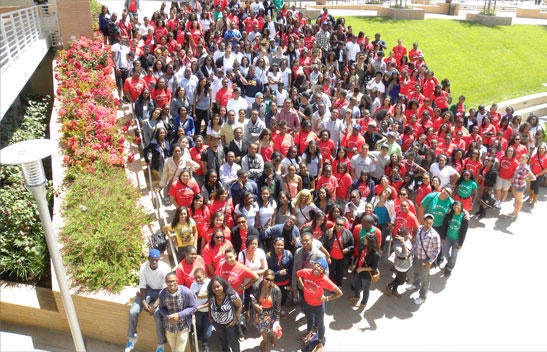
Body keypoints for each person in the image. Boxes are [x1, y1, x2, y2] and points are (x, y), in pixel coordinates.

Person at [125, 249, 170, 352]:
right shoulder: (143, 267)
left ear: (159, 259)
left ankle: (161, 344)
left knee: (157, 314)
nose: (154, 262)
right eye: (152, 260)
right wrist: (144, 302)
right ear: (148, 259)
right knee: (133, 311)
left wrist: (154, 306)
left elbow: (165, 290)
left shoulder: (165, 268)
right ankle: (132, 338)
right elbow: (142, 286)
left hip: (161, 292)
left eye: (156, 260)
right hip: (148, 290)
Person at [296, 258, 343, 351]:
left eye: (321, 268)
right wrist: (302, 284)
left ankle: (320, 342)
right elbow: (298, 274)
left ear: (323, 271)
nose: (318, 268)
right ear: (314, 264)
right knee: (309, 319)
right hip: (307, 302)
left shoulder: (324, 279)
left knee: (320, 324)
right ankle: (309, 333)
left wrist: (327, 298)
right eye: (317, 265)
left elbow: (340, 293)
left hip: (318, 305)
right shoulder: (306, 272)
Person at [158, 272, 198, 352]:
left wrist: (178, 315)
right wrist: (167, 316)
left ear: (177, 281)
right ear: (166, 282)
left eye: (173, 281)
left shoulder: (186, 292)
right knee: (173, 349)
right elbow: (161, 308)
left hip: (183, 327)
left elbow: (193, 307)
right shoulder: (162, 293)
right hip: (169, 327)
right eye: (169, 281)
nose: (171, 283)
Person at [407, 213, 441, 305]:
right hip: (417, 256)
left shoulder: (434, 235)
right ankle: (415, 284)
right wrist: (411, 253)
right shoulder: (419, 229)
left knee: (425, 278)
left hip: (426, 260)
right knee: (416, 271)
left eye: (430, 223)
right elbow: (417, 243)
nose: (428, 225)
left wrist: (430, 262)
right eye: (426, 222)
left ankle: (422, 297)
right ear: (423, 221)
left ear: (432, 223)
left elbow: (437, 250)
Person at [207, 276, 243, 352]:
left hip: (230, 324)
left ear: (223, 285)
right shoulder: (211, 295)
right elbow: (209, 305)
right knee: (223, 342)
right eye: (214, 287)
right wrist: (210, 315)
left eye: (218, 286)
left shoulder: (231, 295)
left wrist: (235, 319)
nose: (216, 289)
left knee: (233, 343)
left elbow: (239, 306)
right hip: (217, 324)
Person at [250, 270, 282, 352]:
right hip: (259, 313)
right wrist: (255, 304)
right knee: (263, 330)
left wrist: (277, 320)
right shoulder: (257, 286)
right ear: (263, 277)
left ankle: (274, 338)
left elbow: (278, 307)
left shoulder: (276, 290)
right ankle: (265, 342)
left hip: (271, 314)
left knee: (273, 330)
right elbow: (252, 297)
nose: (269, 282)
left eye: (271, 280)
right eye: (267, 279)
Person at [321, 216, 354, 286]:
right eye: (337, 224)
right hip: (331, 258)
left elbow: (352, 246)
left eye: (341, 225)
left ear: (344, 225)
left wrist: (348, 249)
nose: (339, 226)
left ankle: (339, 285)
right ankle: (331, 286)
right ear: (335, 224)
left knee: (340, 273)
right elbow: (323, 245)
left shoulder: (348, 233)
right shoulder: (329, 232)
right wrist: (327, 257)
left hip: (342, 259)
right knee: (331, 273)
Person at [439, 201, 468, 278]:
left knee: (454, 255)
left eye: (458, 206)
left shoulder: (464, 218)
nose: (456, 207)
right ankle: (450, 263)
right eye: (455, 205)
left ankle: (449, 269)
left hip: (457, 239)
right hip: (448, 237)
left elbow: (464, 232)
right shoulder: (449, 214)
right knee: (445, 252)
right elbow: (444, 225)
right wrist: (443, 237)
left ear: (461, 207)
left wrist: (461, 244)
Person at [266, 237, 294, 318]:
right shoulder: (268, 256)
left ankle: (282, 309)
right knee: (274, 298)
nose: (280, 247)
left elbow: (292, 269)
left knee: (284, 298)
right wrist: (278, 273)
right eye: (278, 245)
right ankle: (274, 310)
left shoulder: (288, 254)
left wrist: (292, 284)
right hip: (274, 283)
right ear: (274, 245)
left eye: (282, 245)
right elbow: (267, 273)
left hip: (286, 282)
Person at [351, 232, 380, 308]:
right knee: (356, 285)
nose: (363, 239)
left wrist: (362, 269)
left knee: (365, 290)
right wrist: (355, 264)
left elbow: (373, 268)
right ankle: (357, 296)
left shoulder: (376, 254)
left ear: (369, 241)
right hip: (358, 271)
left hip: (366, 275)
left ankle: (363, 303)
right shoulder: (364, 247)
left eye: (365, 238)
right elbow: (359, 256)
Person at [384, 227, 413, 297]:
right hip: (401, 266)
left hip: (407, 264)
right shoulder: (396, 245)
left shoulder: (407, 239)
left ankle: (394, 290)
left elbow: (410, 247)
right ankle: (388, 286)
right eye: (407, 236)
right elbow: (404, 253)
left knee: (398, 277)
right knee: (401, 281)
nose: (408, 237)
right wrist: (403, 243)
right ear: (402, 237)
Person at [191, 268, 212, 352]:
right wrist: (206, 295)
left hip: (208, 311)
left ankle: (204, 340)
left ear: (204, 275)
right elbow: (197, 295)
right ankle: (204, 342)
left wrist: (204, 296)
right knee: (199, 326)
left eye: (199, 277)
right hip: (198, 311)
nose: (198, 279)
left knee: (208, 333)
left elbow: (211, 297)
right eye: (196, 278)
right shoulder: (193, 284)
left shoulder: (210, 283)